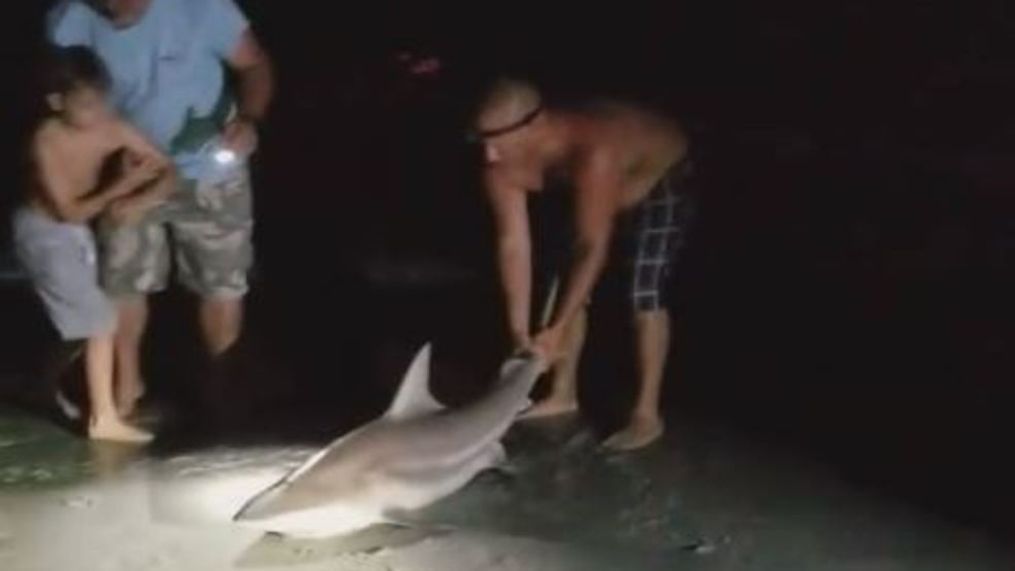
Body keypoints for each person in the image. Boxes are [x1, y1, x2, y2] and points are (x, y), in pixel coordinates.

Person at [46, 0, 275, 416]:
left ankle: (222, 390)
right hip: (127, 170)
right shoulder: (68, 20)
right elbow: (64, 99)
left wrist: (251, 120)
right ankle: (125, 389)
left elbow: (255, 65)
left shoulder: (203, 9)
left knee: (220, 285)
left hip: (209, 168)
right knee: (121, 284)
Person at [474, 79, 695, 451]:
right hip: (594, 186)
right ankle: (563, 394)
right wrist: (519, 333)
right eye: (483, 141)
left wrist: (556, 329)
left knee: (644, 291)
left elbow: (593, 246)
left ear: (535, 125)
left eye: (498, 140)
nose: (490, 155)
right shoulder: (499, 164)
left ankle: (647, 414)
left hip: (658, 177)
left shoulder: (593, 151)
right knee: (562, 284)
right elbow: (514, 243)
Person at [14, 46, 176, 442]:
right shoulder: (46, 140)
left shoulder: (113, 128)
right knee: (101, 318)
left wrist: (141, 197)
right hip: (44, 233)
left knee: (81, 327)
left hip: (78, 232)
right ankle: (103, 420)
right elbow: (69, 213)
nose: (98, 112)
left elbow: (166, 168)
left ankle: (40, 384)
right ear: (56, 102)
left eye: (102, 100)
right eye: (86, 104)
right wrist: (122, 185)